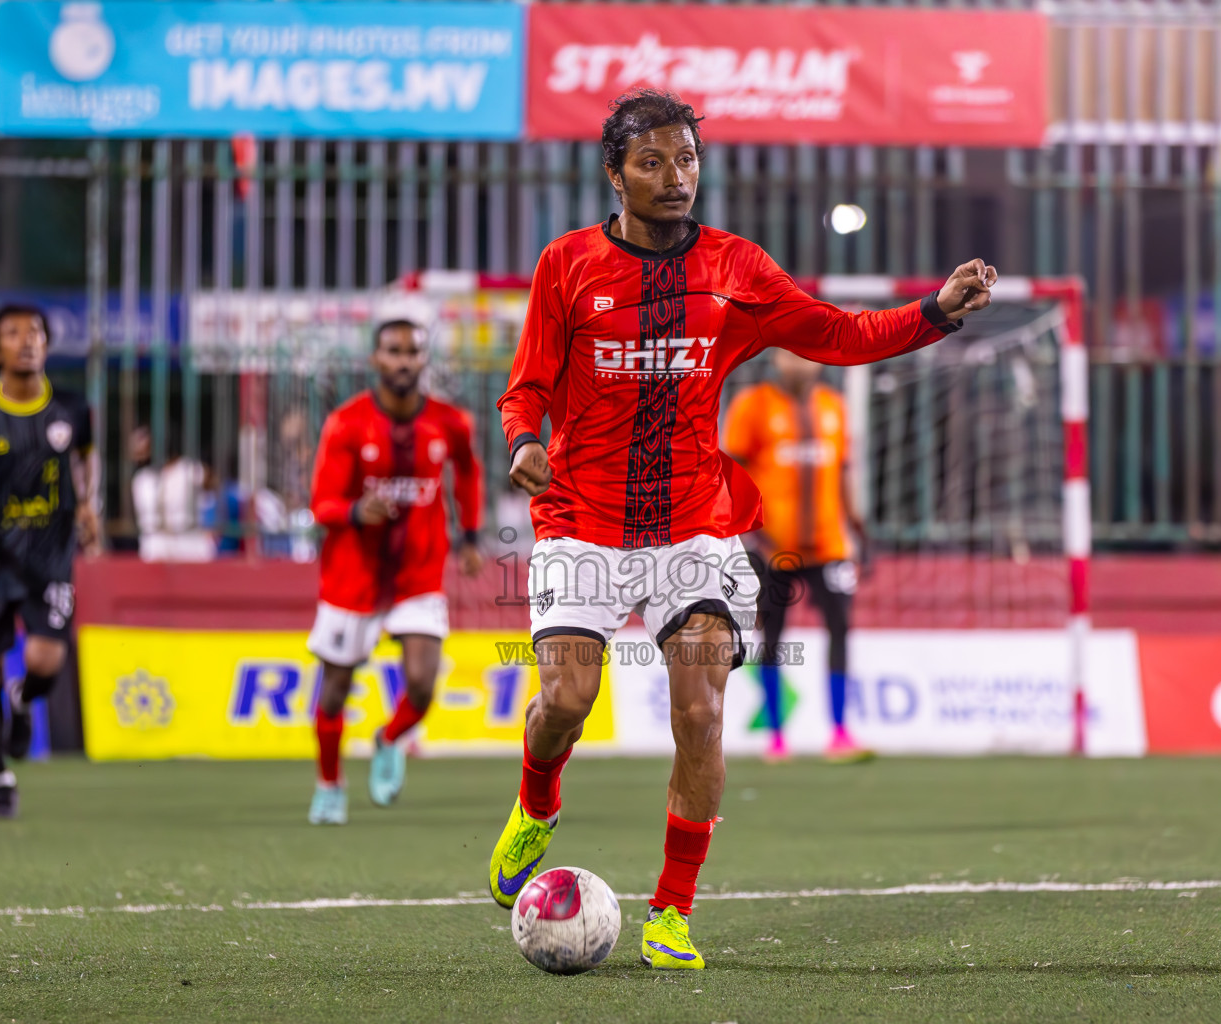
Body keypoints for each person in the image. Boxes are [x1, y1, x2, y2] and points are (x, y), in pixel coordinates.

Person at [489, 87, 996, 970]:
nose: (674, 175)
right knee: (565, 702)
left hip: (694, 526)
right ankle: (537, 803)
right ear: (615, 174)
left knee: (703, 711)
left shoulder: (734, 269)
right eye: (651, 161)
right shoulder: (567, 265)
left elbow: (836, 333)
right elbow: (525, 385)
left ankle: (673, 913)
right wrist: (525, 441)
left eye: (686, 159)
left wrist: (935, 311)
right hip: (580, 520)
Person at [306, 319, 484, 825]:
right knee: (335, 688)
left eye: (412, 351)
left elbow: (469, 474)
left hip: (419, 572)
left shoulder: (450, 423)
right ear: (376, 360)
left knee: (424, 682)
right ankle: (329, 784)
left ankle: (388, 737)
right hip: (353, 575)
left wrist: (470, 537)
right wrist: (356, 512)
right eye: (393, 351)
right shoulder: (346, 424)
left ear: (423, 360)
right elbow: (321, 503)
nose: (404, 360)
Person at [0, 304, 100, 819]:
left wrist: (90, 501)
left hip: (50, 554)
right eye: (14, 333)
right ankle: (0, 782)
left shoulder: (72, 409)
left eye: (36, 332)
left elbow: (86, 457)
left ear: (48, 345)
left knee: (46, 662)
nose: (28, 340)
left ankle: (25, 699)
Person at [723, 349, 871, 763]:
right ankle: (775, 735)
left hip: (830, 545)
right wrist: (750, 532)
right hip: (772, 545)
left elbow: (842, 471)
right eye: (791, 356)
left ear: (820, 362)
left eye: (806, 357)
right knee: (771, 637)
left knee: (841, 629)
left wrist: (858, 528)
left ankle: (840, 731)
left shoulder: (833, 407)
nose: (800, 364)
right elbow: (731, 472)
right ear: (776, 361)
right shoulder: (752, 406)